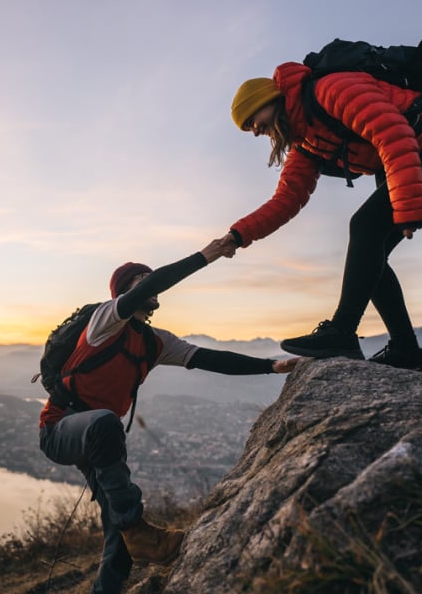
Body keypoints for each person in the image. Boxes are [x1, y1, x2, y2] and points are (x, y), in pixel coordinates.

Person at [39, 240, 308, 593]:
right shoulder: (105, 321)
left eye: (149, 277)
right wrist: (207, 255)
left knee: (118, 539)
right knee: (108, 434)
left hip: (98, 437)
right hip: (61, 428)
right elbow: (154, 284)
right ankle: (137, 529)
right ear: (124, 293)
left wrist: (271, 366)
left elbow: (209, 358)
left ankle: (118, 566)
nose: (150, 282)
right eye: (141, 280)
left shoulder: (155, 342)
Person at [225, 62, 422, 370]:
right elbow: (287, 199)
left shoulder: (330, 89)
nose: (254, 131)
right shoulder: (305, 141)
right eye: (247, 127)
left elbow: (393, 132)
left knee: (364, 227)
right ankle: (406, 350)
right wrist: (238, 235)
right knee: (371, 255)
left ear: (269, 100)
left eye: (252, 119)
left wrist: (408, 207)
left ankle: (342, 331)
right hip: (412, 157)